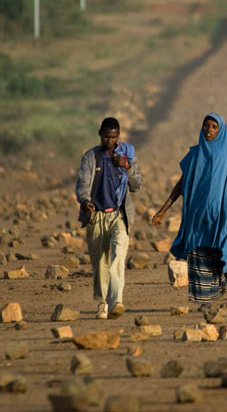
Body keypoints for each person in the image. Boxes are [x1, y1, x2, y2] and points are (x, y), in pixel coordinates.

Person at [152, 113, 227, 304]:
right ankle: (204, 301)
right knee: (198, 255)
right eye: (206, 125)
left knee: (221, 250)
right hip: (196, 217)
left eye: (214, 127)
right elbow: (182, 184)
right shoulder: (194, 155)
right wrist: (164, 209)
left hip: (219, 217)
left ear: (221, 130)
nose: (209, 130)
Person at [76, 117, 143, 319]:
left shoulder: (127, 156)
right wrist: (85, 200)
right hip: (96, 216)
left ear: (118, 136)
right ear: (100, 135)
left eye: (113, 137)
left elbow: (137, 185)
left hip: (119, 215)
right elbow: (82, 184)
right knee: (100, 264)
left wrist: (127, 167)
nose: (110, 141)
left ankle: (117, 301)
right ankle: (103, 303)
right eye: (106, 137)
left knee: (118, 257)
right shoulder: (91, 157)